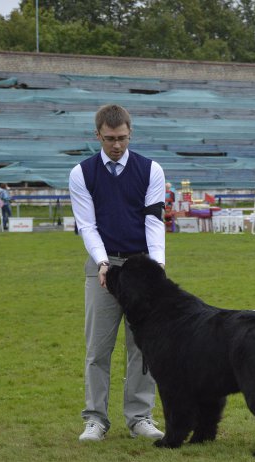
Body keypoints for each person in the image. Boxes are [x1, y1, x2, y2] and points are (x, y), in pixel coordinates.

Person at [69, 104, 167, 442]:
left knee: (143, 346)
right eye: (110, 139)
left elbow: (154, 221)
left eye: (122, 138)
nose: (117, 145)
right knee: (98, 348)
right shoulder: (81, 173)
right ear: (97, 135)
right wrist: (101, 262)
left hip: (142, 265)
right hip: (103, 266)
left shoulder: (151, 169)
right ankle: (95, 419)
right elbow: (87, 225)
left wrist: (158, 267)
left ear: (130, 133)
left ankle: (140, 416)